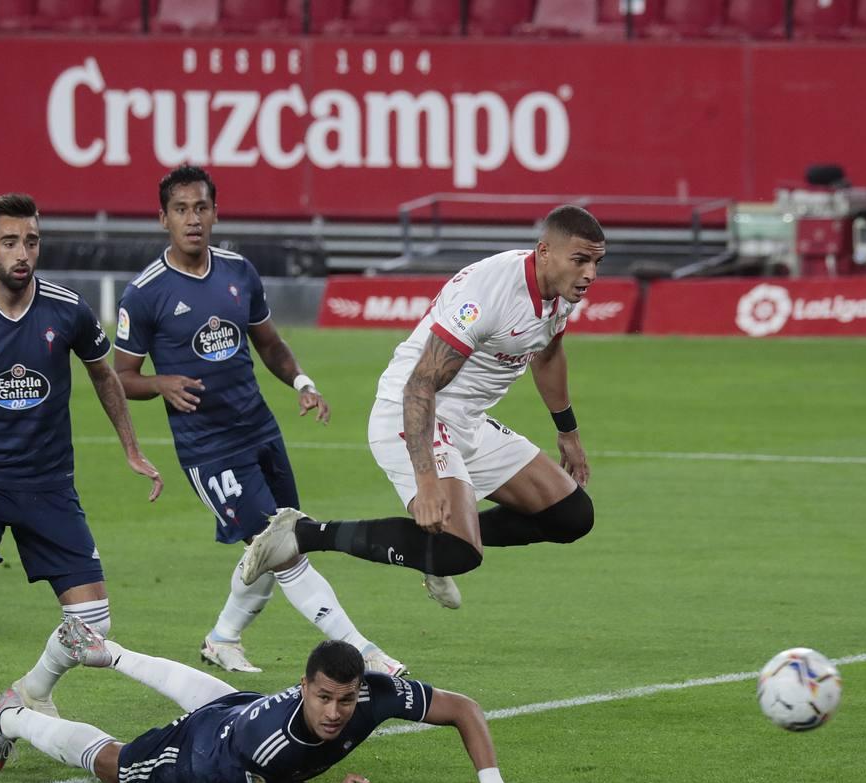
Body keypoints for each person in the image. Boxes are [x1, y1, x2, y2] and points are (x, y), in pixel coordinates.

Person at [114, 164, 404, 677]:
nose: (193, 219)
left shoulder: (238, 272)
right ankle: (363, 651)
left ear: (215, 212)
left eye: (201, 207)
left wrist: (302, 383)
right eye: (181, 209)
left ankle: (223, 638)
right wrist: (160, 383)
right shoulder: (144, 293)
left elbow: (268, 343)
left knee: (274, 541)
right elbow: (120, 377)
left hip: (259, 429)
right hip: (208, 446)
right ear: (163, 219)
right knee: (283, 546)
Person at [0, 193, 164, 758]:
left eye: (31, 241)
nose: (23, 253)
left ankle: (30, 692)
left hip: (48, 484)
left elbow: (104, 377)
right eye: (10, 242)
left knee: (94, 620)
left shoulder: (68, 310)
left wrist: (131, 448)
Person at [242, 206, 600, 607]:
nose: (590, 274)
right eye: (581, 261)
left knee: (571, 516)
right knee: (459, 552)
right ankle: (300, 533)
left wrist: (567, 430)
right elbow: (421, 384)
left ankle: (431, 543)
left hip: (467, 420)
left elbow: (548, 354)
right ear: (545, 251)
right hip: (412, 411)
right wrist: (426, 481)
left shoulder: (560, 289)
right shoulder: (489, 296)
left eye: (596, 263)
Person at [0, 620, 518, 783]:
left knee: (220, 696)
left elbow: (464, 709)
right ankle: (12, 718)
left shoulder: (376, 694)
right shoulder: (271, 746)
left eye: (346, 699)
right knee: (116, 766)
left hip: (240, 708)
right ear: (305, 686)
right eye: (324, 697)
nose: (336, 712)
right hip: (210, 750)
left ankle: (112, 652)